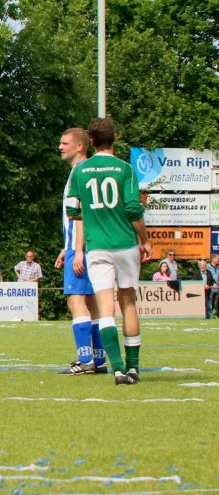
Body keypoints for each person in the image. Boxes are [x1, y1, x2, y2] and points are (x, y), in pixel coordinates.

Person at [65, 117, 152, 385]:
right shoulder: (125, 169)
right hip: (125, 245)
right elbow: (133, 209)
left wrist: (90, 220)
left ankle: (117, 370)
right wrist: (145, 239)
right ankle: (133, 368)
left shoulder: (80, 171)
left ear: (90, 142)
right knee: (128, 302)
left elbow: (72, 210)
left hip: (97, 247)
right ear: (114, 139)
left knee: (105, 310)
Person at [54, 127, 107, 375]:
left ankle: (85, 361)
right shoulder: (86, 171)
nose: (60, 147)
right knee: (93, 303)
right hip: (90, 246)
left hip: (83, 249)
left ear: (80, 146)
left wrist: (77, 250)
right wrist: (67, 249)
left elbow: (82, 214)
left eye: (65, 143)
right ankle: (99, 360)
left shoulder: (80, 173)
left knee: (76, 302)